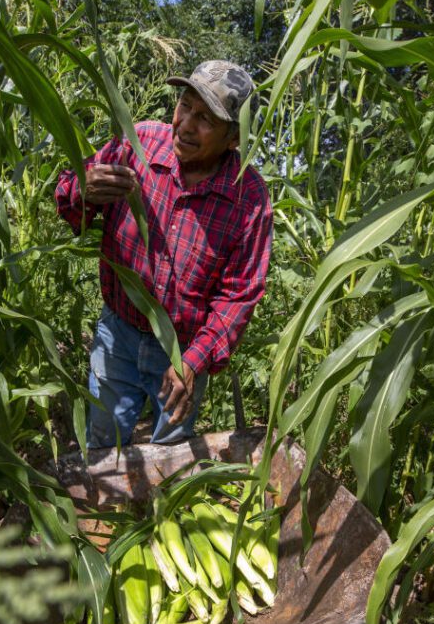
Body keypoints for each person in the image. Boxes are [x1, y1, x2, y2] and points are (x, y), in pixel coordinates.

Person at [55, 60, 273, 449]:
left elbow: (238, 297)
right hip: (118, 333)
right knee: (103, 448)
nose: (186, 123)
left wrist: (193, 360)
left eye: (206, 118)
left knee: (170, 458)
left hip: (183, 352)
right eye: (185, 105)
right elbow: (70, 198)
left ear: (234, 139)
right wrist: (82, 190)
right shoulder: (138, 143)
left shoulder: (248, 198)